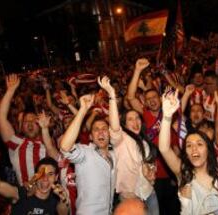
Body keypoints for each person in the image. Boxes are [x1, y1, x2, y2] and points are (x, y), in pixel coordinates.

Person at [158, 90, 218, 215]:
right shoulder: (183, 171)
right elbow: (164, 149)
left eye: (199, 144)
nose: (194, 148)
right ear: (186, 153)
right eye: (189, 145)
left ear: (208, 149)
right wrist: (167, 116)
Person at [98, 76, 158, 214]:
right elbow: (114, 127)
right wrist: (112, 96)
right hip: (130, 198)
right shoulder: (121, 139)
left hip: (149, 193)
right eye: (130, 119)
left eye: (137, 118)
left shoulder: (145, 142)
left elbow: (150, 166)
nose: (135, 121)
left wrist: (151, 173)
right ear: (124, 124)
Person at [127, 58, 180, 215]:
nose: (151, 101)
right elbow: (130, 97)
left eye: (154, 98)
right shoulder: (143, 115)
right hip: (151, 175)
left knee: (174, 210)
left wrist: (175, 172)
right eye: (148, 99)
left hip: (170, 173)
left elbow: (176, 146)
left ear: (160, 98)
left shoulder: (170, 113)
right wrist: (137, 71)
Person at [60, 94, 116, 215]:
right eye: (96, 129)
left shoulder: (114, 155)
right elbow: (65, 146)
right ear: (90, 136)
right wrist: (83, 109)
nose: (101, 132)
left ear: (110, 134)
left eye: (104, 128)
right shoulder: (85, 153)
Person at [0, 74, 48, 185]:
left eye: (33, 121)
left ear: (40, 124)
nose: (29, 124)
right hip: (27, 199)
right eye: (26, 122)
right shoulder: (17, 143)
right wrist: (10, 91)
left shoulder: (48, 143)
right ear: (21, 127)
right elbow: (0, 118)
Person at [0, 157, 70, 215]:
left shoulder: (56, 200)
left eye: (50, 174)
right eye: (41, 174)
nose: (45, 178)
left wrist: (63, 199)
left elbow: (63, 212)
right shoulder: (22, 193)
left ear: (56, 177)